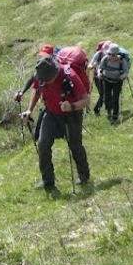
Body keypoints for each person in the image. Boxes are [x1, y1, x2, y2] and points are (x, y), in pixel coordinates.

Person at [22, 54, 91, 192]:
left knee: (75, 145)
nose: (45, 82)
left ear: (55, 72)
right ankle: (47, 181)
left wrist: (71, 106)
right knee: (43, 144)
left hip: (72, 116)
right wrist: (29, 110)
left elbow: (86, 100)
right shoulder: (40, 77)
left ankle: (84, 175)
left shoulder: (70, 75)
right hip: (51, 114)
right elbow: (36, 91)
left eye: (48, 80)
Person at [97, 43, 131, 124]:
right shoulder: (105, 59)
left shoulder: (122, 61)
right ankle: (108, 111)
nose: (111, 56)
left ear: (117, 54)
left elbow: (126, 72)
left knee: (115, 98)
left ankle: (115, 115)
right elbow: (100, 68)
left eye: (113, 55)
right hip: (106, 80)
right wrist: (99, 73)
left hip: (117, 82)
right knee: (107, 97)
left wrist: (123, 76)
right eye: (109, 54)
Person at [89, 40, 111, 116]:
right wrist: (94, 65)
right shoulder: (98, 54)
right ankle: (98, 109)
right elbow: (89, 66)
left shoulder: (112, 54)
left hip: (108, 76)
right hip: (98, 77)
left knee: (105, 93)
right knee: (103, 94)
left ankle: (107, 108)